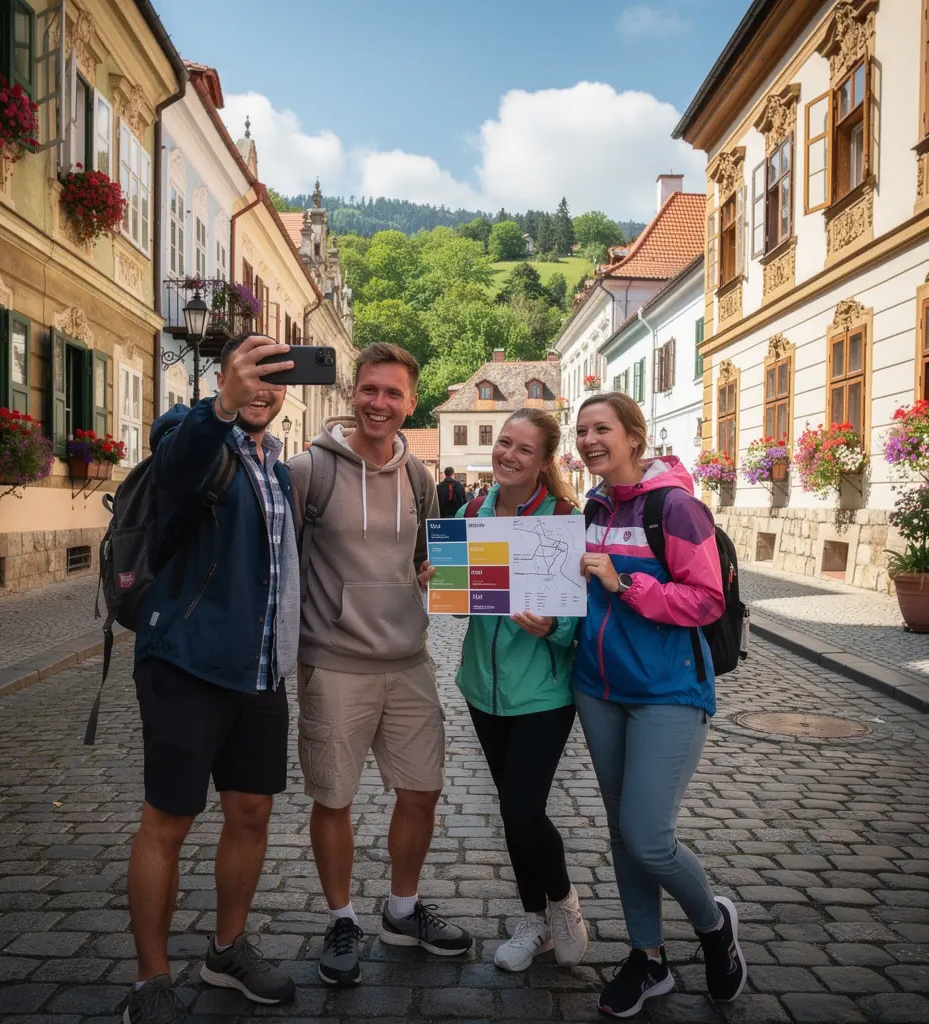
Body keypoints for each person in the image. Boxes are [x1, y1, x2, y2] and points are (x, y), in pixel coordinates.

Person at [124, 334, 299, 1024]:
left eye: (275, 380)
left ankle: (226, 950)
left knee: (250, 813)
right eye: (251, 374)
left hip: (260, 670)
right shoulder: (190, 431)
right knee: (168, 819)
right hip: (187, 663)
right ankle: (150, 979)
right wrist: (219, 406)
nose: (264, 388)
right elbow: (179, 466)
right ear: (225, 374)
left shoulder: (277, 469)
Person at [288, 343, 473, 988]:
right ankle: (341, 917)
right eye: (370, 389)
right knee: (333, 796)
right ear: (353, 393)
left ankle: (401, 908)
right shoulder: (309, 471)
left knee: (421, 790)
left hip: (409, 658)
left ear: (410, 402)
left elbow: (433, 557)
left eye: (393, 394)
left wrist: (435, 573)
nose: (380, 403)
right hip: (334, 662)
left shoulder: (420, 477)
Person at [571, 393, 747, 1018]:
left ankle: (712, 921)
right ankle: (649, 959)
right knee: (623, 833)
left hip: (668, 692)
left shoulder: (675, 507)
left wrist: (626, 584)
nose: (591, 440)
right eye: (583, 430)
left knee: (648, 836)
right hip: (598, 690)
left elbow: (705, 600)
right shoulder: (591, 506)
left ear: (634, 437)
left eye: (603, 429)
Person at [453, 409, 589, 973]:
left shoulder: (562, 517)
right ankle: (534, 921)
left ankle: (563, 903)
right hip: (481, 689)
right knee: (513, 814)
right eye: (503, 443)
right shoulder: (470, 512)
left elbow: (582, 615)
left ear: (544, 461)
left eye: (524, 449)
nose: (508, 454)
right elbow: (465, 595)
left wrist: (553, 626)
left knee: (522, 806)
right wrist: (438, 577)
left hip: (543, 693)